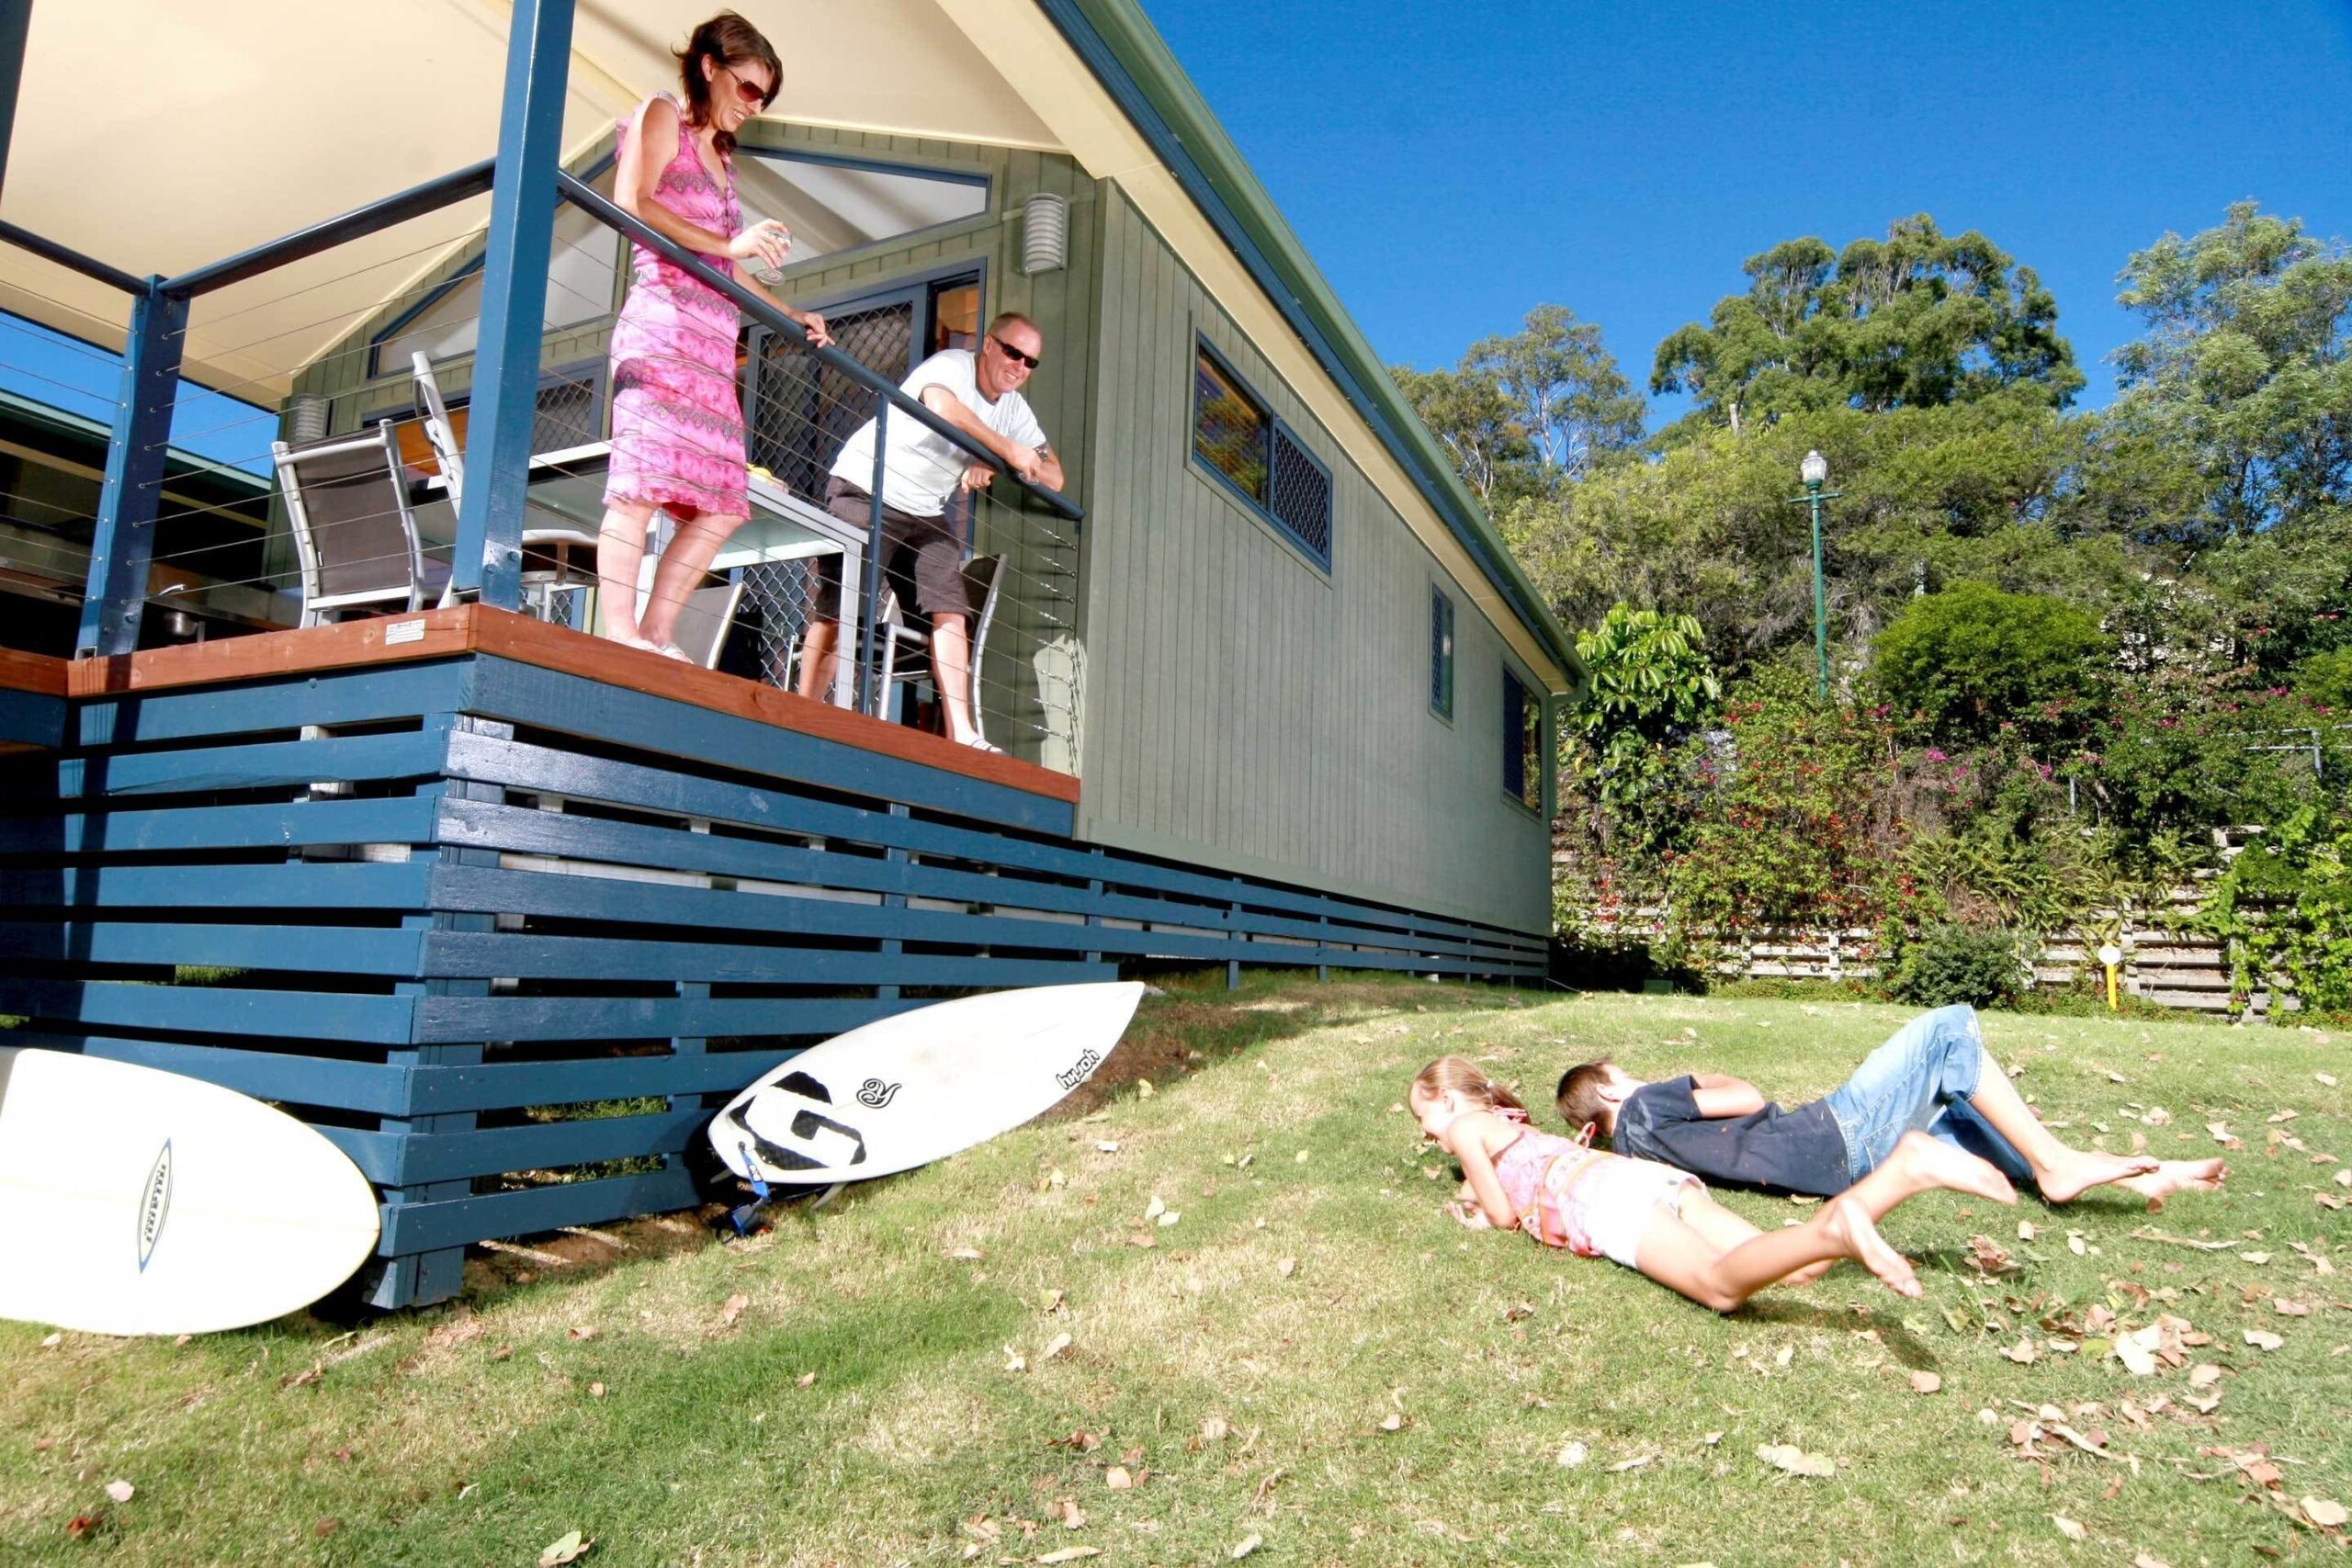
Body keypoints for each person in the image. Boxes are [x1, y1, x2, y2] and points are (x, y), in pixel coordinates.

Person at [1408, 1055, 2019, 1312]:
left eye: (1423, 1115)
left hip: (1602, 1202)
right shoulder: (1509, 1125)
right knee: (1796, 1266)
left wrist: (1473, 1207)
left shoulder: (1467, 1131)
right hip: (1644, 1179)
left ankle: (1840, 1222)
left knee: (1722, 1289)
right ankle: (1906, 1169)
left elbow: (1503, 1210)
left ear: (1448, 1100)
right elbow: (1510, 1175)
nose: (1425, 1131)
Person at [595, 12, 835, 658]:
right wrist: (730, 242)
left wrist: (790, 313)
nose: (755, 107)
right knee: (641, 484)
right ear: (710, 67)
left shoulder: (724, 166)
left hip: (710, 350)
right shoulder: (662, 116)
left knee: (725, 501)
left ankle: (656, 632)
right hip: (662, 327)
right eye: (751, 89)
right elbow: (633, 201)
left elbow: (722, 266)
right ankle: (619, 632)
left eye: (766, 97)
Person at [1554, 1004, 2227, 1208]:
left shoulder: (1631, 1151)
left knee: (1960, 1113)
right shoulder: (1642, 1104)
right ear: (1611, 1086)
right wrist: (1696, 1073)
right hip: (1836, 1131)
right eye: (1626, 1072)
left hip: (1834, 1168)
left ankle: (2151, 1173)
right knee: (1949, 1030)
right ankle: (2055, 1164)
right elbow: (1748, 1096)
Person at [795, 312, 1065, 749]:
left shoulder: (1014, 409)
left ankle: (962, 733)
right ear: (990, 345)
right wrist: (1004, 449)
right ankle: (803, 714)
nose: (1019, 366)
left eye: (1030, 362)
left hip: (925, 509)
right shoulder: (952, 365)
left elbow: (1054, 478)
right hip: (869, 487)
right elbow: (942, 406)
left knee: (951, 611)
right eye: (1013, 352)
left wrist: (994, 459)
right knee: (840, 609)